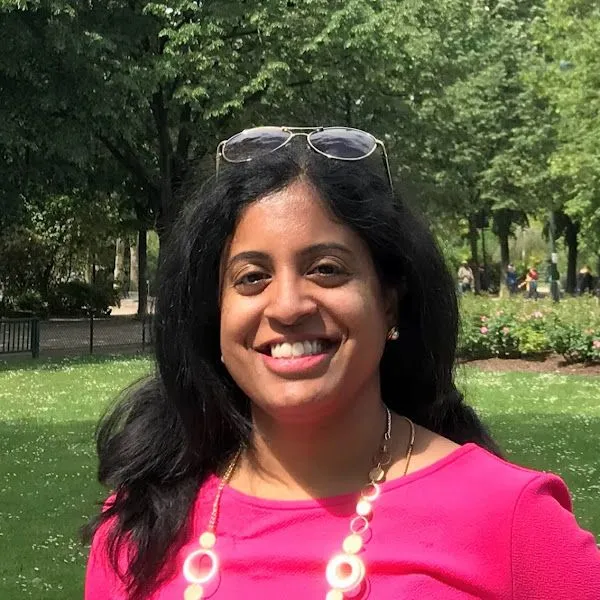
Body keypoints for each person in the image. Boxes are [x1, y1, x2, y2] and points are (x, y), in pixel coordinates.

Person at [83, 126, 600, 600]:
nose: (287, 306)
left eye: (326, 269)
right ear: (213, 315)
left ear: (389, 304)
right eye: (251, 277)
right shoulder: (139, 525)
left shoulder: (512, 519)